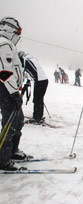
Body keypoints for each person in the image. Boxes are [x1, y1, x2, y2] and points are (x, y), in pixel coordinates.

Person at [0, 17, 28, 170]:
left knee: (18, 120)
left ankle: (12, 151)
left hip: (9, 90)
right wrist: (13, 93)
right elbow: (5, 72)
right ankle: (3, 159)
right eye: (18, 32)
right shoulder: (4, 44)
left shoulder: (8, 44)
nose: (19, 36)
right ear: (11, 30)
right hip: (5, 90)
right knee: (10, 124)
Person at [18, 51, 49, 124]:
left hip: (39, 81)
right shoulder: (31, 59)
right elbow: (33, 70)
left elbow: (21, 73)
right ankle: (39, 116)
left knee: (37, 99)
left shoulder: (24, 60)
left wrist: (19, 84)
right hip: (44, 80)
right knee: (40, 99)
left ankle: (37, 118)